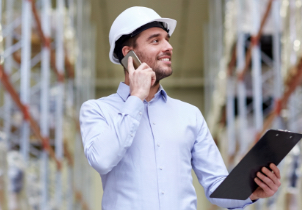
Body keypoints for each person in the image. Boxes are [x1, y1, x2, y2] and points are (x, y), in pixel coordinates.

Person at [79, 6, 281, 210]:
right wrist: (136, 97)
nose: (168, 47)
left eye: (167, 39)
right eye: (156, 40)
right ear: (129, 54)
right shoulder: (97, 110)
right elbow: (102, 160)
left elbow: (216, 185)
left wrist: (250, 191)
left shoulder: (189, 115)